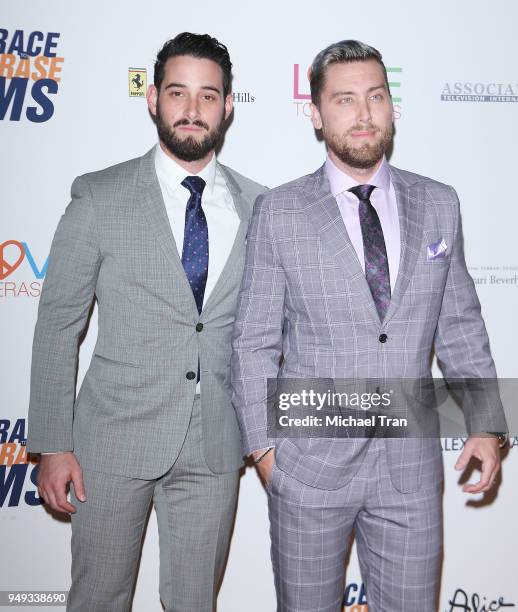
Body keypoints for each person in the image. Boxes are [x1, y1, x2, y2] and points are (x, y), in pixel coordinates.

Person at [231, 39, 507, 612]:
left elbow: (460, 323)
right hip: (307, 465)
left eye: (376, 97)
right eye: (345, 100)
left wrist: (485, 424)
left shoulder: (439, 202)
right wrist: (266, 454)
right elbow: (254, 342)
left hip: (409, 470)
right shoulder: (280, 211)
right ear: (316, 112)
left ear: (391, 104)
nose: (363, 114)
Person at [28, 32, 266, 611]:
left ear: (228, 105)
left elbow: (269, 335)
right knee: (98, 599)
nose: (192, 109)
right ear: (153, 99)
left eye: (208, 96)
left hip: (214, 446)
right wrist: (52, 445)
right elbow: (59, 325)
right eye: (178, 93)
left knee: (193, 603)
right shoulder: (99, 197)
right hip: (109, 443)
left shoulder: (261, 207)